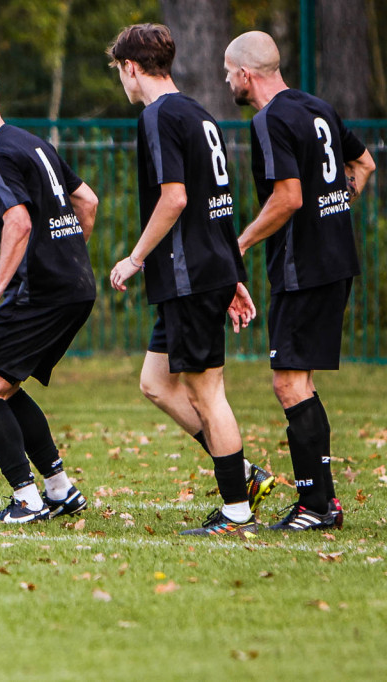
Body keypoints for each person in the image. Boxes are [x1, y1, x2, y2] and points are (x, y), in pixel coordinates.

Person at [106, 24, 276, 537]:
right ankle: (242, 473)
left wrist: (135, 257)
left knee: (207, 392)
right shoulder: (199, 112)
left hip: (188, 274)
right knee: (156, 383)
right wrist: (232, 273)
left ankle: (236, 512)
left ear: (131, 68)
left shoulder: (158, 116)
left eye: (119, 72)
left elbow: (177, 198)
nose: (122, 81)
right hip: (206, 271)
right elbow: (217, 203)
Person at [224, 31, 376, 531]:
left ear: (246, 74)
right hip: (335, 261)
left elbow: (288, 198)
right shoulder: (317, 107)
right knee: (299, 381)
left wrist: (240, 242)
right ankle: (322, 503)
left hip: (304, 268)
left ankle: (316, 506)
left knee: (288, 382)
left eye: (229, 72)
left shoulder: (268, 119)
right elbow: (364, 163)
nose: (228, 81)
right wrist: (336, 208)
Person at [0, 64, 97, 524]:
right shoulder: (33, 143)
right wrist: (68, 255)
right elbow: (88, 201)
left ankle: (27, 501)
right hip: (72, 287)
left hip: (42, 292)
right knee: (2, 387)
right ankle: (60, 491)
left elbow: (19, 221)